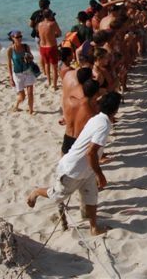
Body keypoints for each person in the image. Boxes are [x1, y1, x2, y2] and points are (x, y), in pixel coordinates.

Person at [26, 91, 122, 236]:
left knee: (91, 197)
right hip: (72, 169)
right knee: (58, 195)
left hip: (86, 169)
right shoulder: (103, 125)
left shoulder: (98, 119)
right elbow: (90, 152)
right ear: (115, 109)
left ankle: (94, 227)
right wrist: (100, 175)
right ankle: (36, 192)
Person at [61, 68, 98, 154]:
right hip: (80, 140)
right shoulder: (92, 111)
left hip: (67, 136)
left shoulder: (70, 100)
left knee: (63, 163)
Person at [6, 30, 36, 114]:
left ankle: (31, 111)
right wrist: (11, 78)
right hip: (18, 74)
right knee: (22, 97)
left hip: (28, 71)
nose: (19, 38)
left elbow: (32, 57)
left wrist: (29, 57)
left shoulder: (26, 46)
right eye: (17, 37)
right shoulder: (10, 50)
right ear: (12, 38)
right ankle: (16, 105)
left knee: (30, 93)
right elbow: (9, 65)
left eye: (20, 36)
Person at [38, 9, 62, 90]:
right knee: (54, 67)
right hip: (51, 47)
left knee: (47, 65)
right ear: (50, 15)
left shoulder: (39, 24)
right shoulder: (52, 24)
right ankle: (54, 85)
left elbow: (41, 35)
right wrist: (54, 36)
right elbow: (59, 33)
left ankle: (49, 82)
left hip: (42, 47)